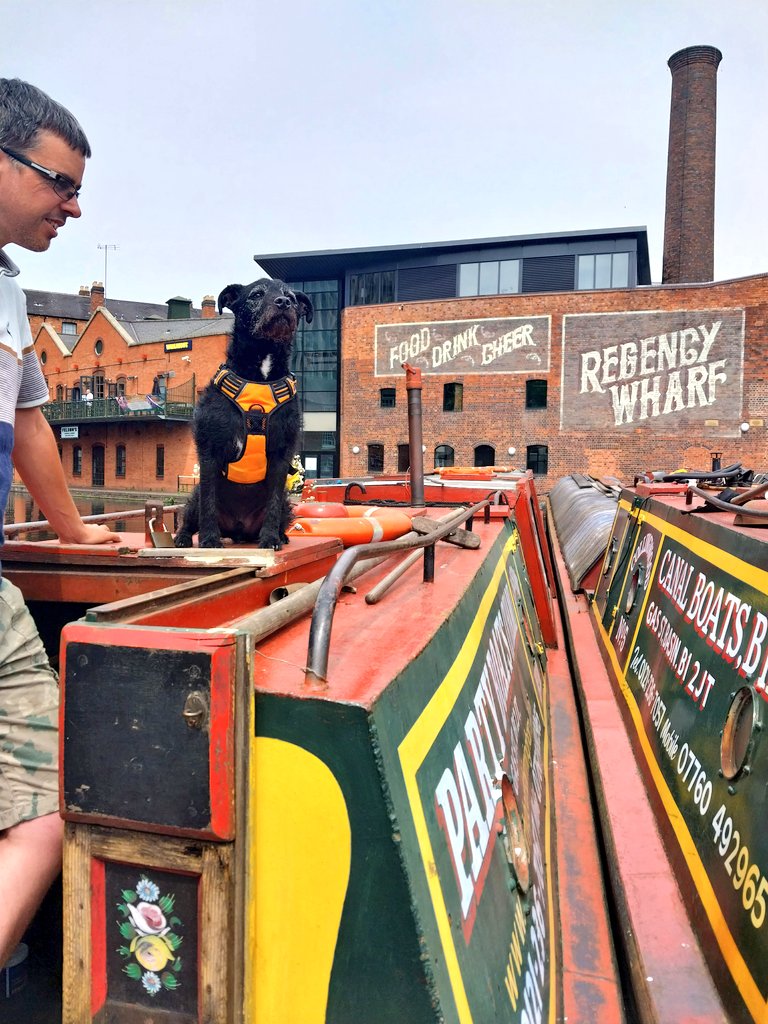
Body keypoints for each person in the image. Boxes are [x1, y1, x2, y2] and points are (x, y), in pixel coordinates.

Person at [0, 78, 121, 966]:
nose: (74, 207)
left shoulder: (12, 293)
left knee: (44, 809)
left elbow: (30, 419)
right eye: (58, 183)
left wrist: (75, 536)